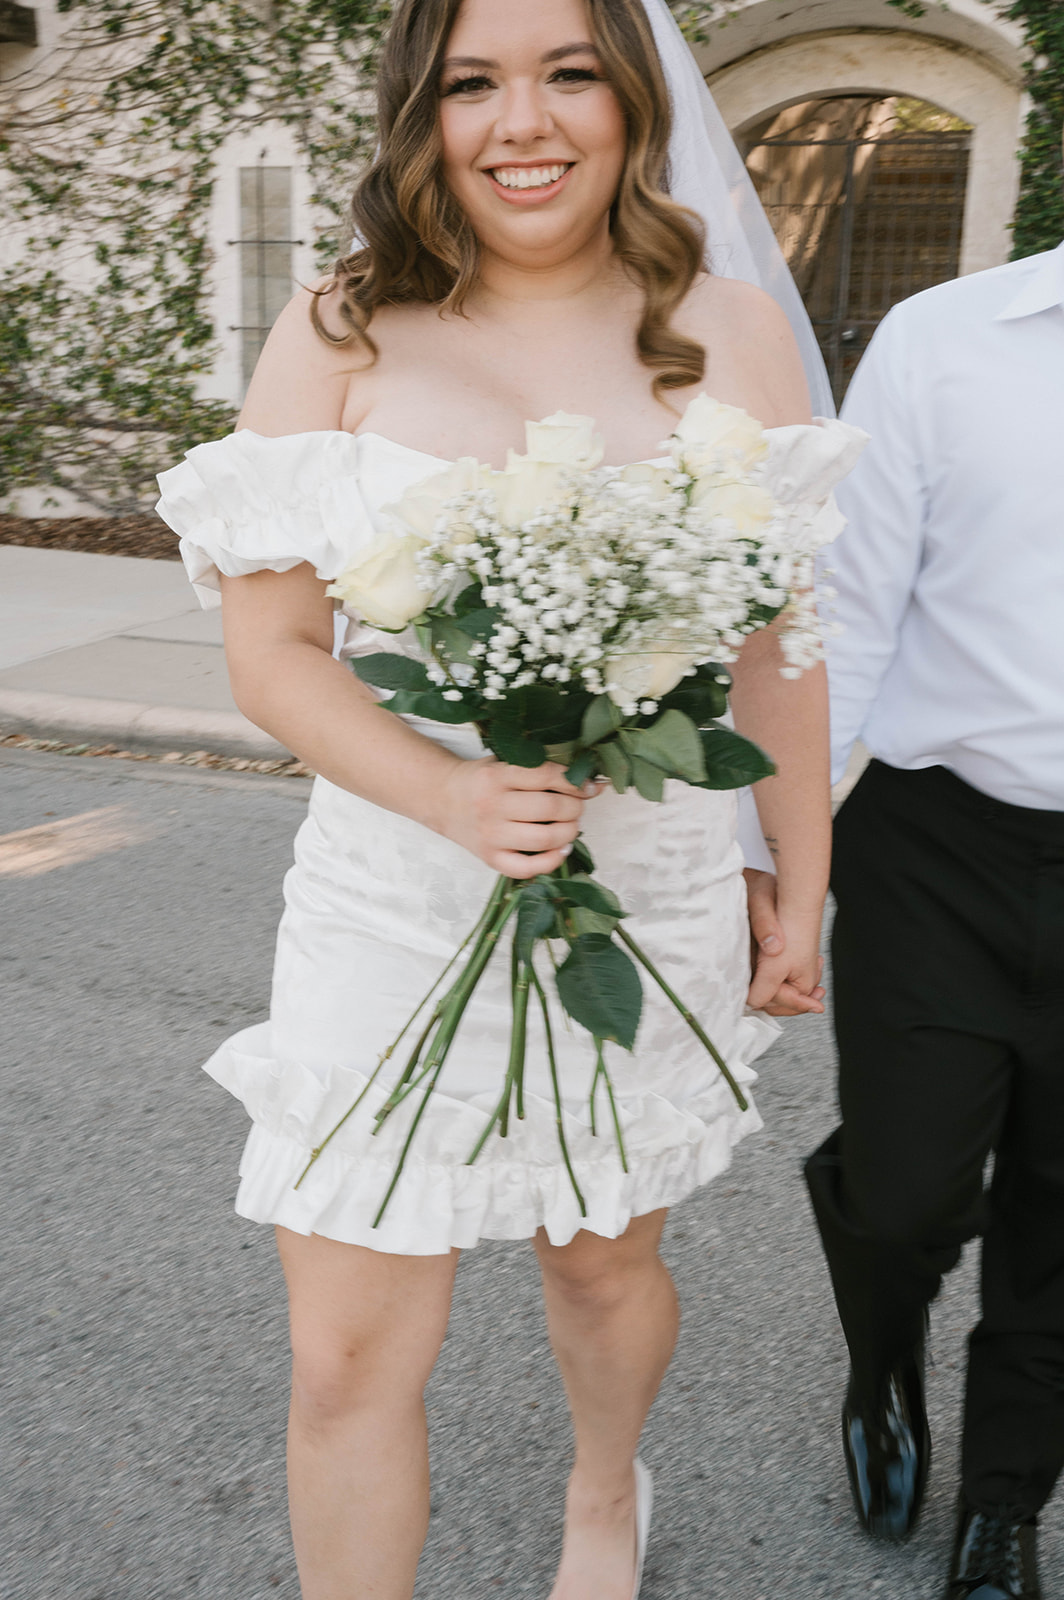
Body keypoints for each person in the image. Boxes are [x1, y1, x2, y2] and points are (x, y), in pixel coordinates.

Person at [156, 2, 860, 1595]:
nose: (521, 122)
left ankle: (604, 1495)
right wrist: (449, 794)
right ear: (427, 110)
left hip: (648, 890)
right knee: (344, 1352)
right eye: (473, 82)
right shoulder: (341, 328)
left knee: (603, 1264)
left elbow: (779, 652)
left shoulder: (735, 331)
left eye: (567, 75)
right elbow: (273, 652)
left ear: (632, 98)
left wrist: (801, 881)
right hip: (392, 899)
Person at [748, 156, 1064, 1595]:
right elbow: (848, 619)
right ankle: (883, 1356)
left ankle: (1006, 1510)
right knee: (907, 1193)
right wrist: (779, 861)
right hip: (941, 844)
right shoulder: (949, 340)